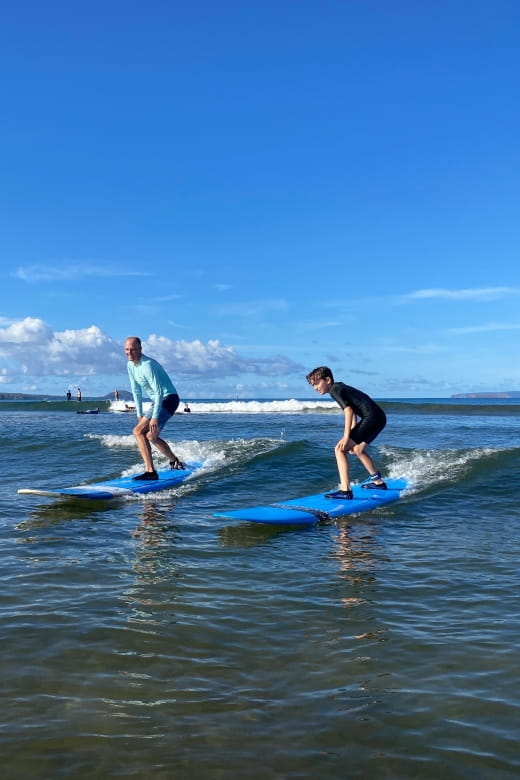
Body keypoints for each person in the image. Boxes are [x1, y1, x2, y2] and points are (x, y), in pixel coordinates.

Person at [306, 366, 387, 500]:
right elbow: (354, 410)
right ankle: (378, 483)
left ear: (327, 380)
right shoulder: (340, 387)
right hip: (379, 417)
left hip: (372, 418)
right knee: (358, 449)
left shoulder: (334, 390)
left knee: (339, 449)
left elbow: (348, 412)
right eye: (313, 385)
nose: (315, 387)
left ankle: (345, 490)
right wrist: (353, 435)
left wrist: (346, 437)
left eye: (317, 383)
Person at [125, 336, 185, 480]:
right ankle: (174, 461)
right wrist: (139, 414)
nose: (129, 353)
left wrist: (155, 416)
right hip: (159, 400)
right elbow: (136, 391)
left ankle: (150, 472)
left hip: (169, 399)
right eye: (126, 350)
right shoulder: (130, 366)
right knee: (151, 436)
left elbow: (158, 392)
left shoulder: (148, 365)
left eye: (133, 349)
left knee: (137, 431)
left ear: (140, 349)